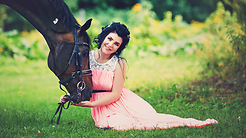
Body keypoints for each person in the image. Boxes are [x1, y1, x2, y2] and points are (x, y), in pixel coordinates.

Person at [60, 22, 218, 130]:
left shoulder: (119, 63)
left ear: (119, 47)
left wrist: (92, 104)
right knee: (118, 124)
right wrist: (69, 96)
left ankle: (190, 122)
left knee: (149, 121)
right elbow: (81, 83)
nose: (111, 45)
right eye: (109, 39)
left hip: (121, 102)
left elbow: (115, 94)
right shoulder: (87, 57)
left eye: (117, 44)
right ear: (103, 37)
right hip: (102, 109)